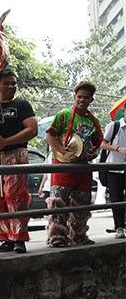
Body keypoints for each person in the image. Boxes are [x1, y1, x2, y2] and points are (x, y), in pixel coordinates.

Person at [0, 68, 38, 254]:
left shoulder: (22, 105)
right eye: (6, 83)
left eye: (13, 83)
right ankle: (5, 238)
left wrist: (7, 142)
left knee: (16, 196)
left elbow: (32, 129)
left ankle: (19, 238)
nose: (11, 86)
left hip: (16, 153)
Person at [45, 81, 103, 247]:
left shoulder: (93, 121)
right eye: (79, 97)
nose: (82, 100)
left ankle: (78, 236)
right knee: (58, 202)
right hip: (63, 166)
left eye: (85, 98)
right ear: (74, 97)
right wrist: (63, 152)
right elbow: (50, 136)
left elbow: (97, 142)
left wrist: (93, 152)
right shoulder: (63, 114)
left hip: (83, 168)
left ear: (91, 100)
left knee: (82, 203)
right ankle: (57, 237)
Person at [99, 106, 126, 239]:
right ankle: (119, 227)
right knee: (116, 199)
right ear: (124, 111)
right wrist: (118, 148)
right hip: (113, 169)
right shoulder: (114, 126)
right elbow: (102, 144)